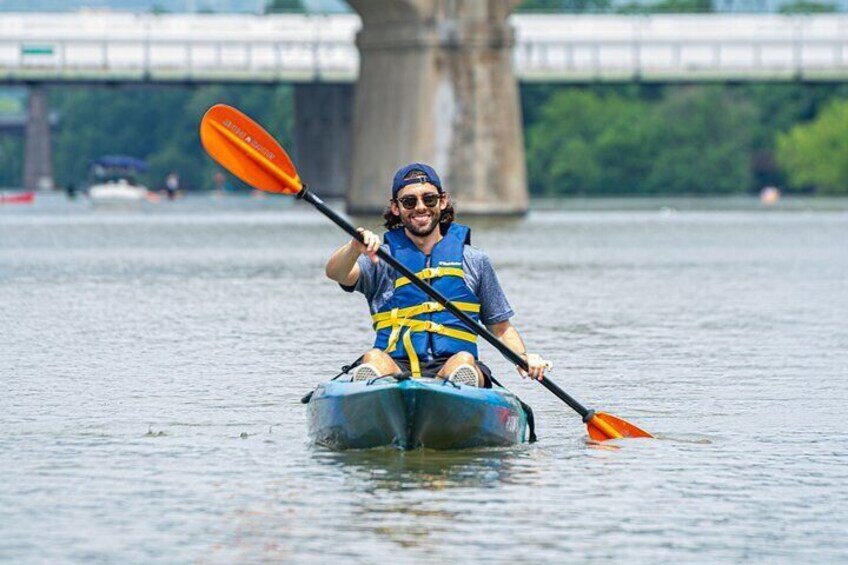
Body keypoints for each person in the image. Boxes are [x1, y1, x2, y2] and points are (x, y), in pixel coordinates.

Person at [325, 163, 550, 387]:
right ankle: (371, 390)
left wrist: (523, 358)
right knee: (374, 357)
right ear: (396, 208)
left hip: (453, 366)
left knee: (463, 361)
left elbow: (501, 329)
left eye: (429, 199)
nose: (420, 207)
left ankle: (458, 392)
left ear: (442, 202)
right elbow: (336, 272)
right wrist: (354, 247)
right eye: (409, 201)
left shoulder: (474, 260)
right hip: (395, 368)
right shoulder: (379, 258)